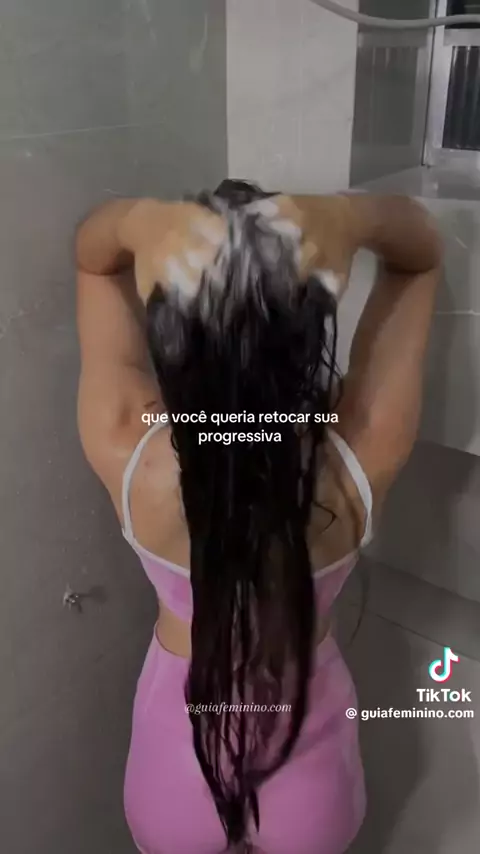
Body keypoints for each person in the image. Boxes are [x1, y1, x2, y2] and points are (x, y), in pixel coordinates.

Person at [75, 181, 442, 854]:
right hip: (312, 775)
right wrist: (350, 215)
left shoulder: (128, 443)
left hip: (174, 771)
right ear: (304, 336)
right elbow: (419, 258)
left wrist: (138, 219)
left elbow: (93, 261)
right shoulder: (360, 451)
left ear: (173, 336)